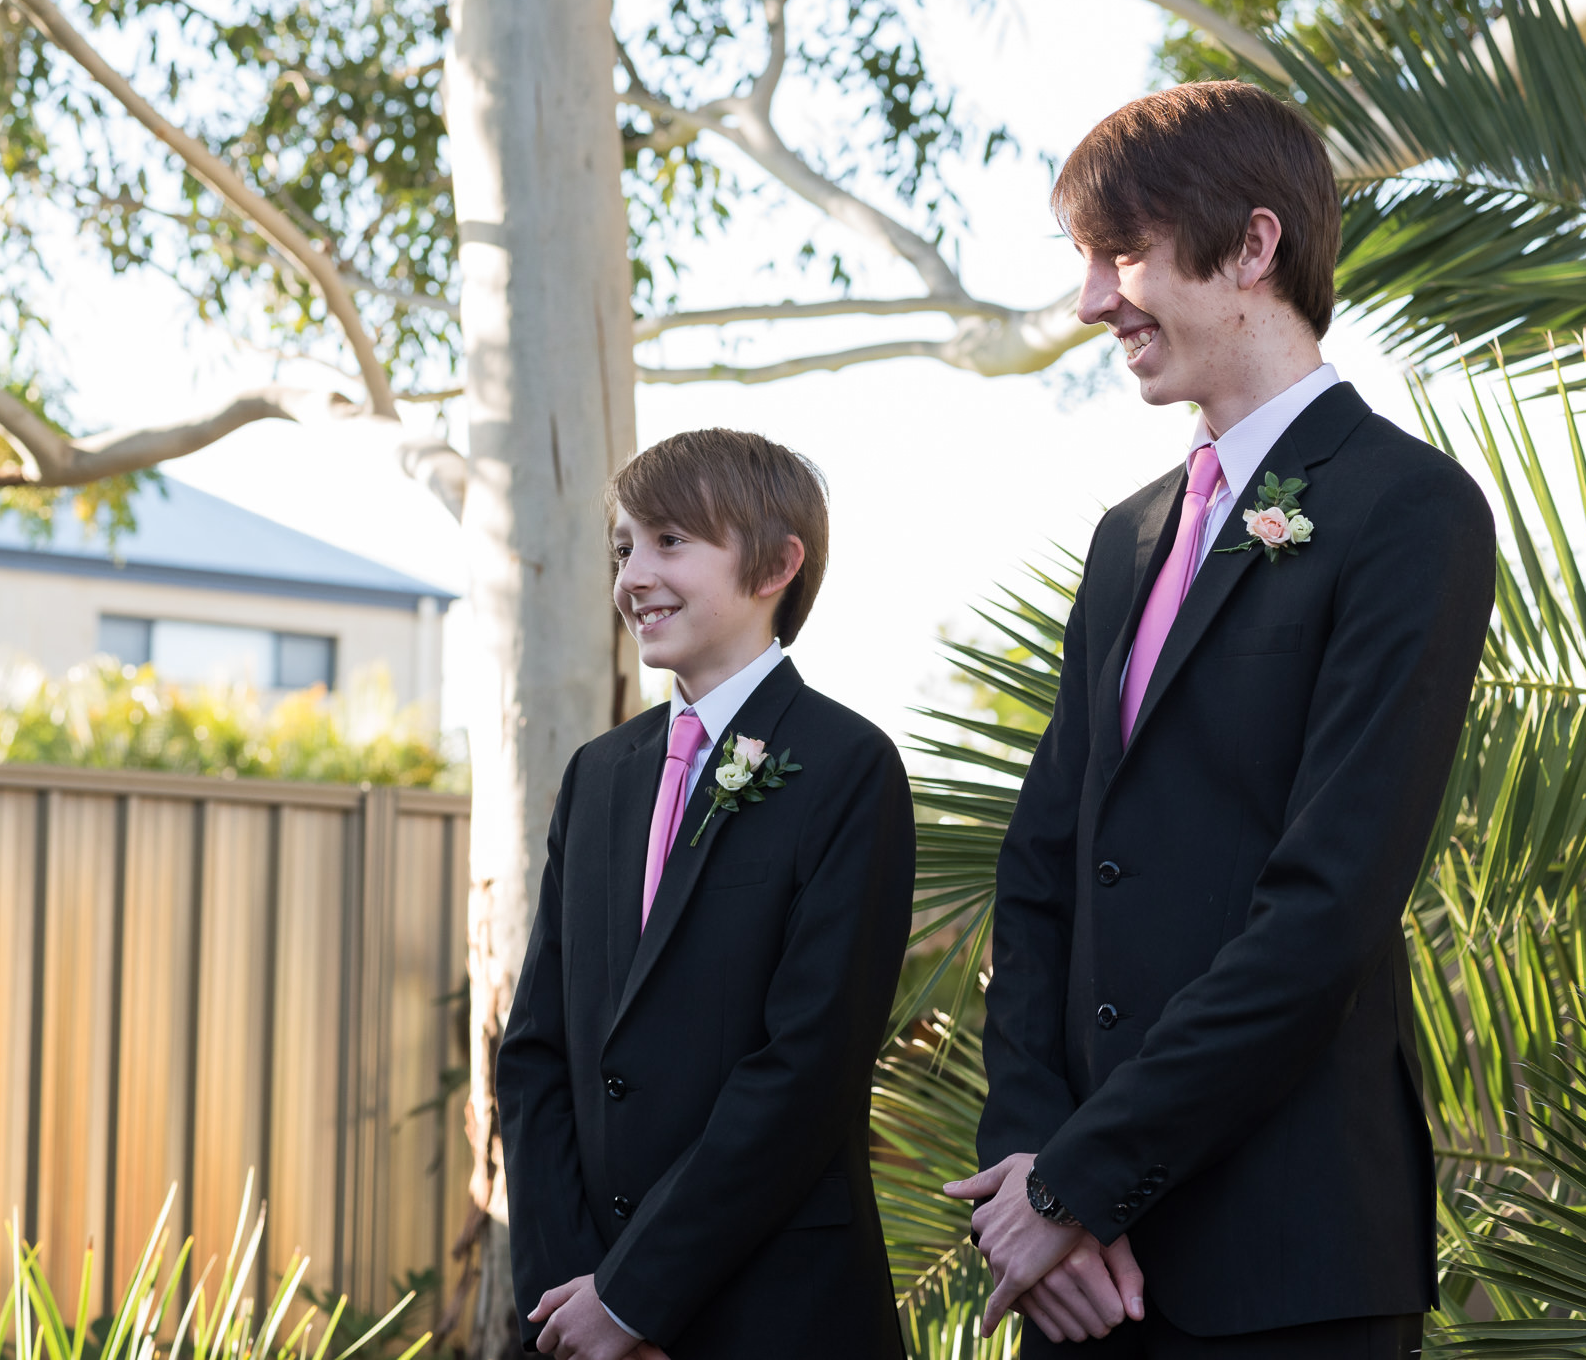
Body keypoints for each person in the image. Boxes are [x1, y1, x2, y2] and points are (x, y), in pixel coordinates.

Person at [945, 81, 1497, 1357]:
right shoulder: (1125, 537)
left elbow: (1324, 907)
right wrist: (1029, 1168)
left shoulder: (1408, 512)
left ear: (1253, 247)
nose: (1093, 302)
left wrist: (1080, 1183)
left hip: (1286, 1266)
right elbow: (1038, 874)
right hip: (1080, 1285)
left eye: (1121, 253)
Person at [498, 429, 914, 1360]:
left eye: (670, 541)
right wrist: (578, 1298)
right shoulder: (597, 776)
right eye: (623, 547)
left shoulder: (850, 769)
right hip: (588, 1308)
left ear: (777, 562)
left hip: (776, 1312)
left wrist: (639, 1294)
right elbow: (537, 1053)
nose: (633, 575)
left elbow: (807, 1068)